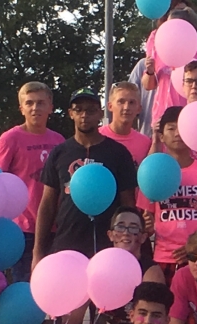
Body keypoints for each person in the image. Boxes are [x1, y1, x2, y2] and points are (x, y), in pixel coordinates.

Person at [34, 87, 137, 266]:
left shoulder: (118, 153)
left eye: (90, 110)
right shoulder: (60, 153)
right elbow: (48, 204)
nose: (84, 115)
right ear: (70, 114)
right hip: (67, 241)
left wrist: (132, 246)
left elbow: (128, 203)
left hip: (109, 244)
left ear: (100, 113)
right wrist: (38, 252)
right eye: (78, 109)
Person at [0, 81, 64, 283]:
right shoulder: (10, 139)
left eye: (40, 103)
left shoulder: (59, 141)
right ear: (21, 108)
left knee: (53, 284)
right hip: (22, 229)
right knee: (25, 286)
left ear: (50, 106)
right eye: (29, 103)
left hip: (55, 227)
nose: (35, 108)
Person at [141, 106, 197, 283]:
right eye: (171, 128)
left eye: (182, 127)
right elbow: (146, 219)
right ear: (161, 136)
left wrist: (196, 246)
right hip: (163, 258)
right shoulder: (152, 173)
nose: (178, 133)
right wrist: (146, 225)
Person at [88, 208, 166, 324]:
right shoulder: (97, 266)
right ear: (110, 235)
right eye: (120, 227)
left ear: (143, 237)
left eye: (133, 228)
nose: (126, 233)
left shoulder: (151, 273)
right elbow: (73, 318)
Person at [100, 82, 151, 166]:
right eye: (121, 101)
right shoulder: (97, 137)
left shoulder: (145, 143)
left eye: (131, 102)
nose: (126, 107)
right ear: (110, 106)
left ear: (139, 108)